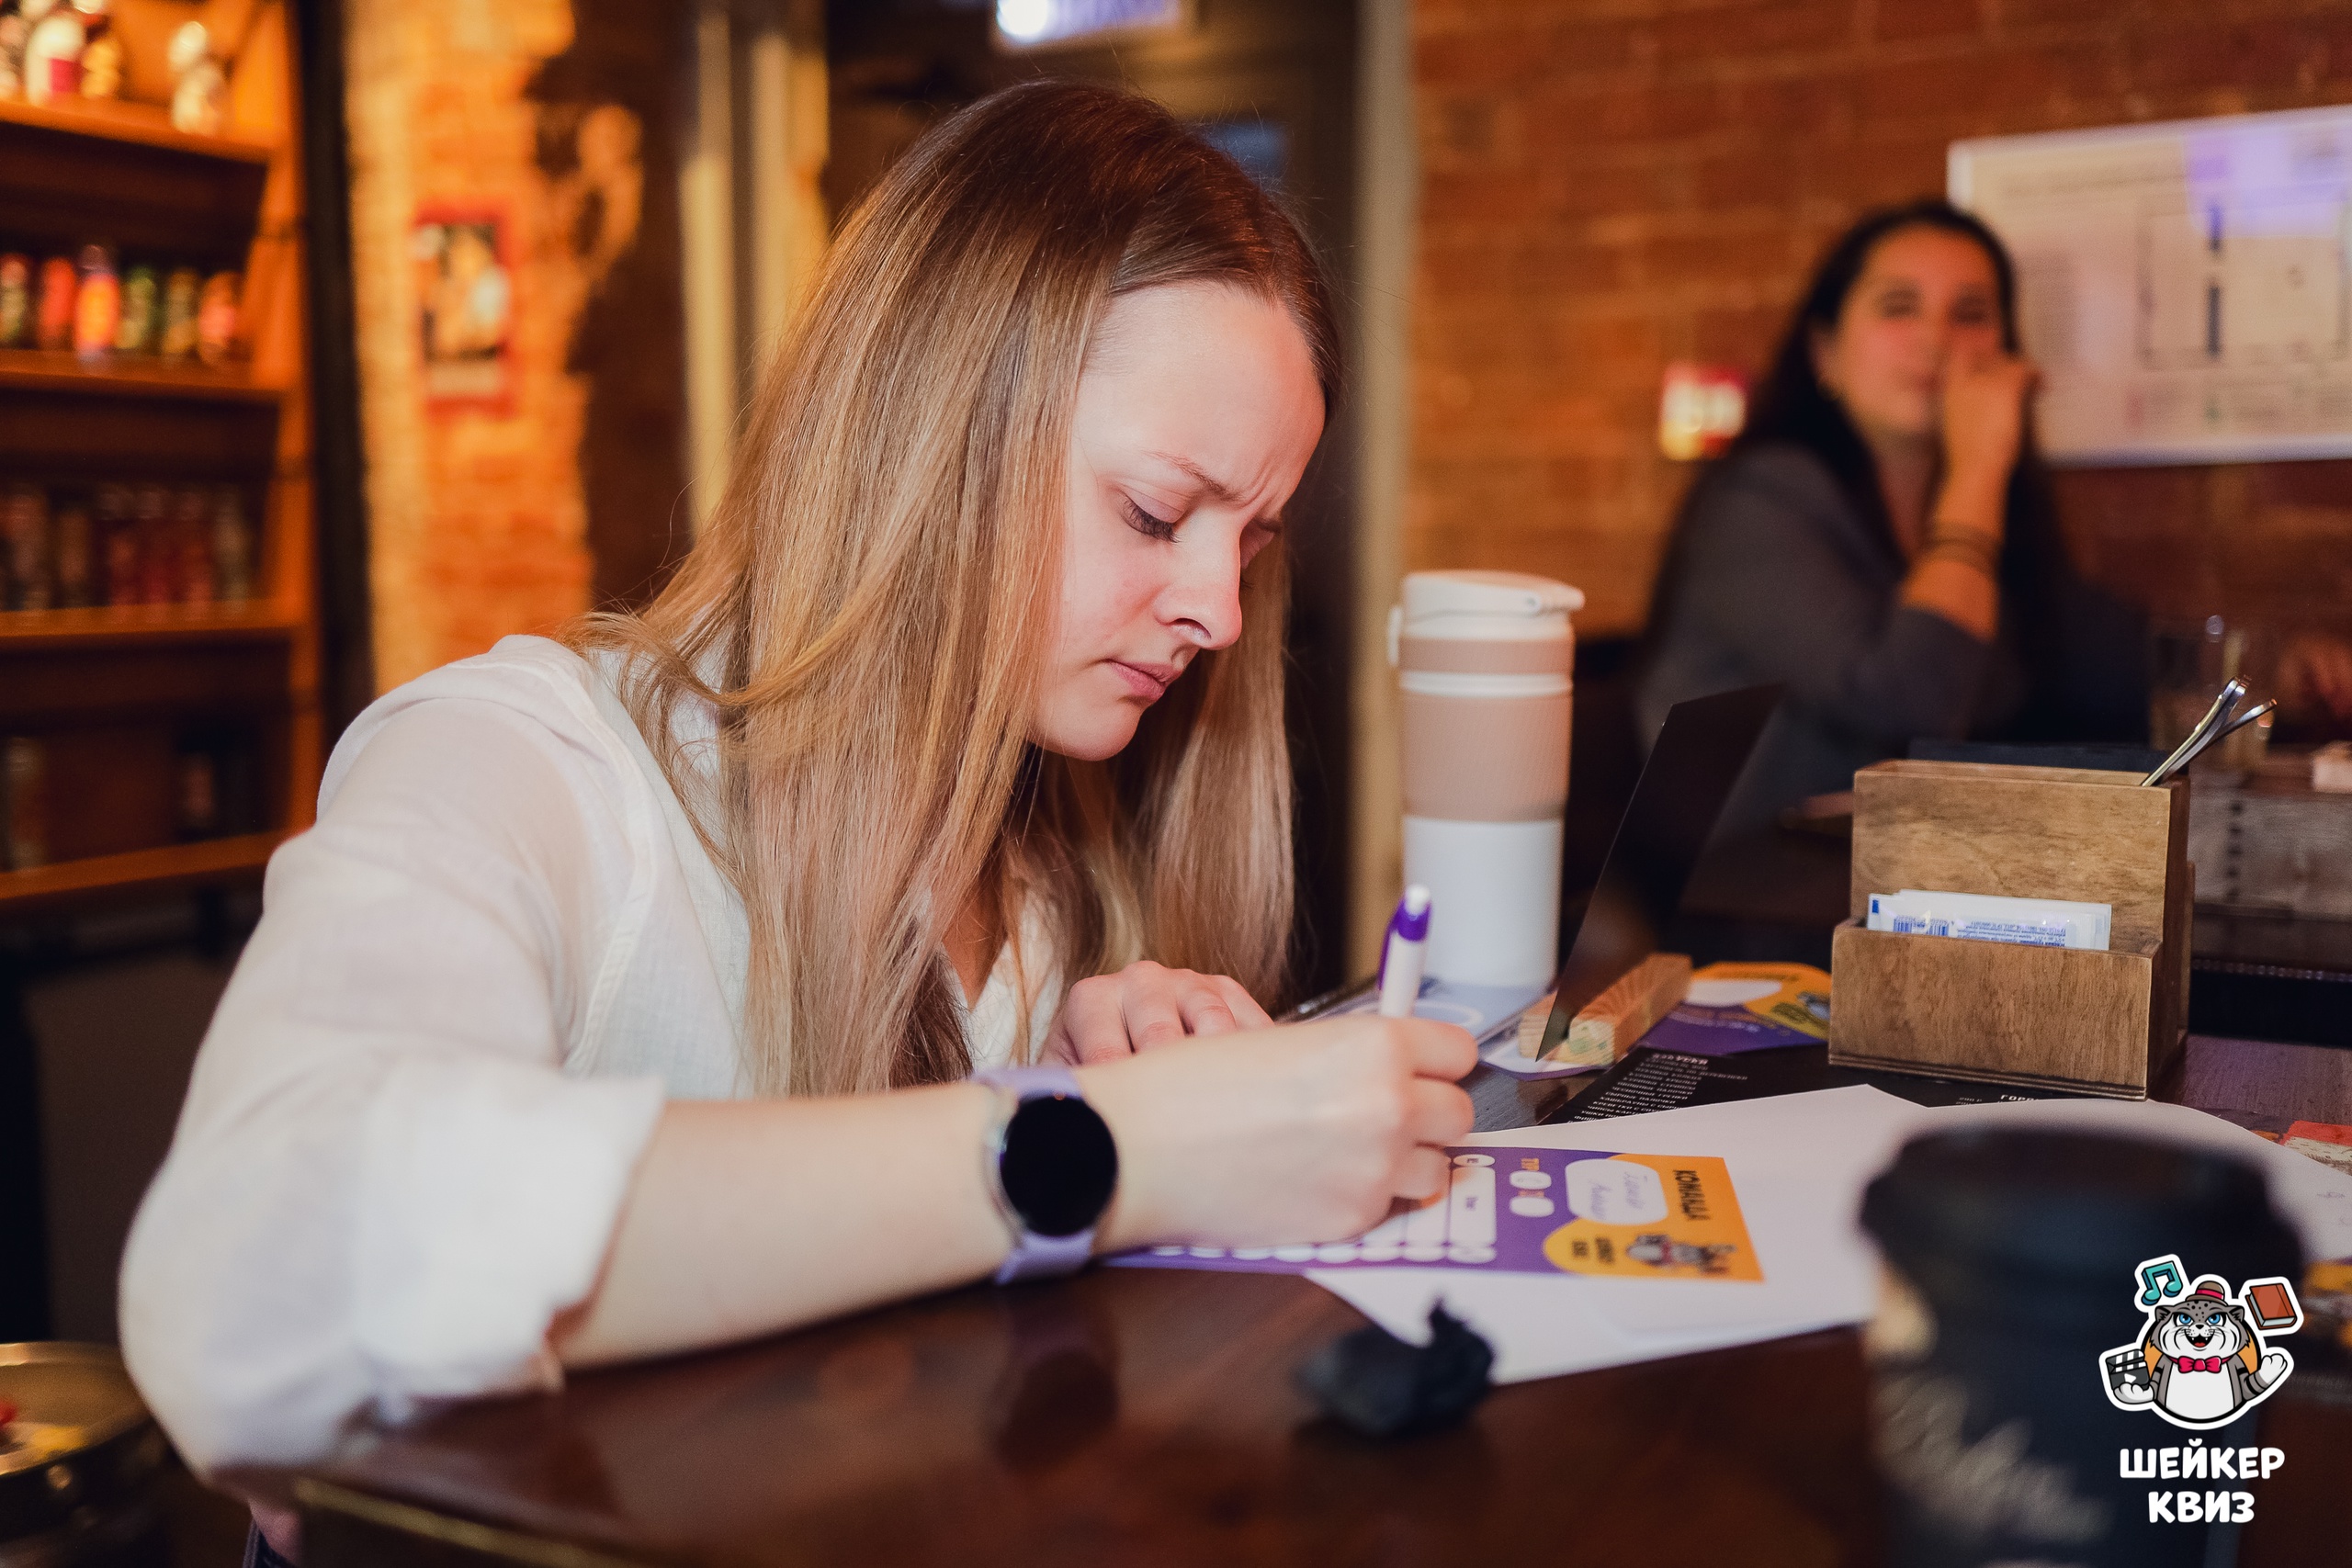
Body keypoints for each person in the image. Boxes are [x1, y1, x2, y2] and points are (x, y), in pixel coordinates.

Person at [119, 83, 1475, 1494]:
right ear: (932, 432)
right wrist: (1095, 1151)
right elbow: (248, 1288)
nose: (1220, 613)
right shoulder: (525, 766)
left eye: (1248, 540)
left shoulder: (1068, 885)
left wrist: (1081, 1092)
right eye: (1153, 512)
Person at [1638, 199, 2352, 836]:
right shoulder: (1760, 499)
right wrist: (1978, 464)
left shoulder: (1995, 521)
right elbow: (1909, 702)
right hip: (1732, 907)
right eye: (1899, 307)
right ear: (1825, 352)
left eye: (1971, 313)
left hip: (1906, 891)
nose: (1938, 338)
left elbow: (2116, 666)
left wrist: (2277, 671)